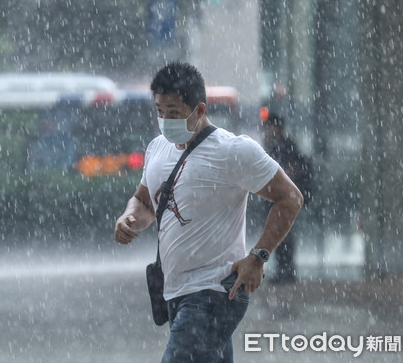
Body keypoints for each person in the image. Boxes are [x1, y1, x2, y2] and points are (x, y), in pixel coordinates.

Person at [114, 62, 303, 363]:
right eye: (160, 111)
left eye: (173, 112)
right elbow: (145, 201)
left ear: (199, 110)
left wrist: (258, 257)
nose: (165, 120)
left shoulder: (233, 151)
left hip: (215, 291)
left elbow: (290, 198)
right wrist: (130, 218)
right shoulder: (157, 149)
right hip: (175, 292)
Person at [261, 112, 308, 283]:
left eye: (269, 127)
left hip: (283, 199)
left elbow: (290, 171)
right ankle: (284, 270)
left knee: (284, 235)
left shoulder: (286, 146)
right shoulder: (275, 146)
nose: (266, 131)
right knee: (279, 234)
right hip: (277, 199)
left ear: (278, 128)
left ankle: (286, 272)